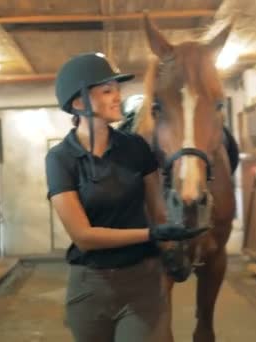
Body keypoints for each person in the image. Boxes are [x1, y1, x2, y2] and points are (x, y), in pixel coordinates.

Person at [46, 52, 206, 342]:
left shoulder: (135, 148)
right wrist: (152, 234)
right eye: (107, 90)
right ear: (80, 103)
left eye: (117, 89)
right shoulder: (61, 159)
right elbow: (84, 236)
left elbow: (157, 210)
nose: (118, 96)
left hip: (143, 282)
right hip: (90, 288)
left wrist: (175, 247)